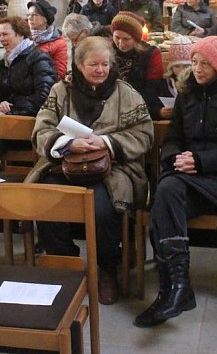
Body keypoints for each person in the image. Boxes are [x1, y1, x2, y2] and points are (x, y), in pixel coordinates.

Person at [134, 30, 217, 327]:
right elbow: (175, 137)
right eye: (194, 61)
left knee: (164, 197)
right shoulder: (187, 91)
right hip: (188, 178)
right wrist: (175, 158)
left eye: (205, 63)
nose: (198, 68)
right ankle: (176, 290)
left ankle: (176, 291)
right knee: (167, 191)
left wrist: (200, 161)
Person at [28, 36, 153, 305]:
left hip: (111, 168)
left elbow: (144, 134)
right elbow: (42, 128)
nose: (100, 70)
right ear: (78, 64)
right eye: (93, 64)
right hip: (63, 163)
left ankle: (106, 269)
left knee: (103, 209)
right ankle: (65, 265)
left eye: (105, 64)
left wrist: (106, 142)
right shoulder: (61, 91)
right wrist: (68, 143)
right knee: (47, 201)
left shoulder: (126, 93)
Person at [0, 16, 57, 171]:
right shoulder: (3, 64)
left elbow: (44, 97)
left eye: (5, 34)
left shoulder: (39, 59)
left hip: (32, 125)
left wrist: (10, 111)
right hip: (6, 124)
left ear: (20, 34)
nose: (1, 39)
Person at [111, 11, 163, 108]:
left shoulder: (151, 54)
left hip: (141, 104)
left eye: (126, 39)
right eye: (117, 37)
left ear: (136, 39)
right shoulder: (107, 50)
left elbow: (153, 89)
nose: (120, 44)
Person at [146, 36, 192, 120]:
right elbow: (152, 103)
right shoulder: (164, 83)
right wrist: (160, 111)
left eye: (186, 66)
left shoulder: (196, 82)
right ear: (171, 67)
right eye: (177, 66)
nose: (182, 70)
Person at [27, 0, 68, 80]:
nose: (30, 18)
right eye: (28, 14)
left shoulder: (59, 43)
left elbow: (60, 72)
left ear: (45, 19)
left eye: (34, 15)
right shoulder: (23, 37)